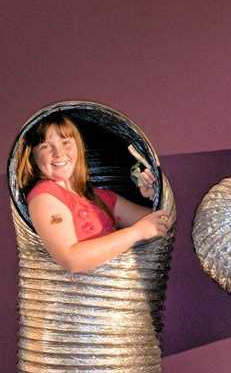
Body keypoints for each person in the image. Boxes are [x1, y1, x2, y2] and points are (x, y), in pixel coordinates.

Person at [18, 113, 170, 272]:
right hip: (76, 295)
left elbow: (160, 222)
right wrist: (136, 233)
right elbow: (71, 260)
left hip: (119, 292)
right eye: (45, 146)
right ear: (32, 157)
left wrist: (153, 194)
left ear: (78, 146)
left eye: (65, 142)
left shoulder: (99, 196)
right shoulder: (44, 197)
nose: (59, 153)